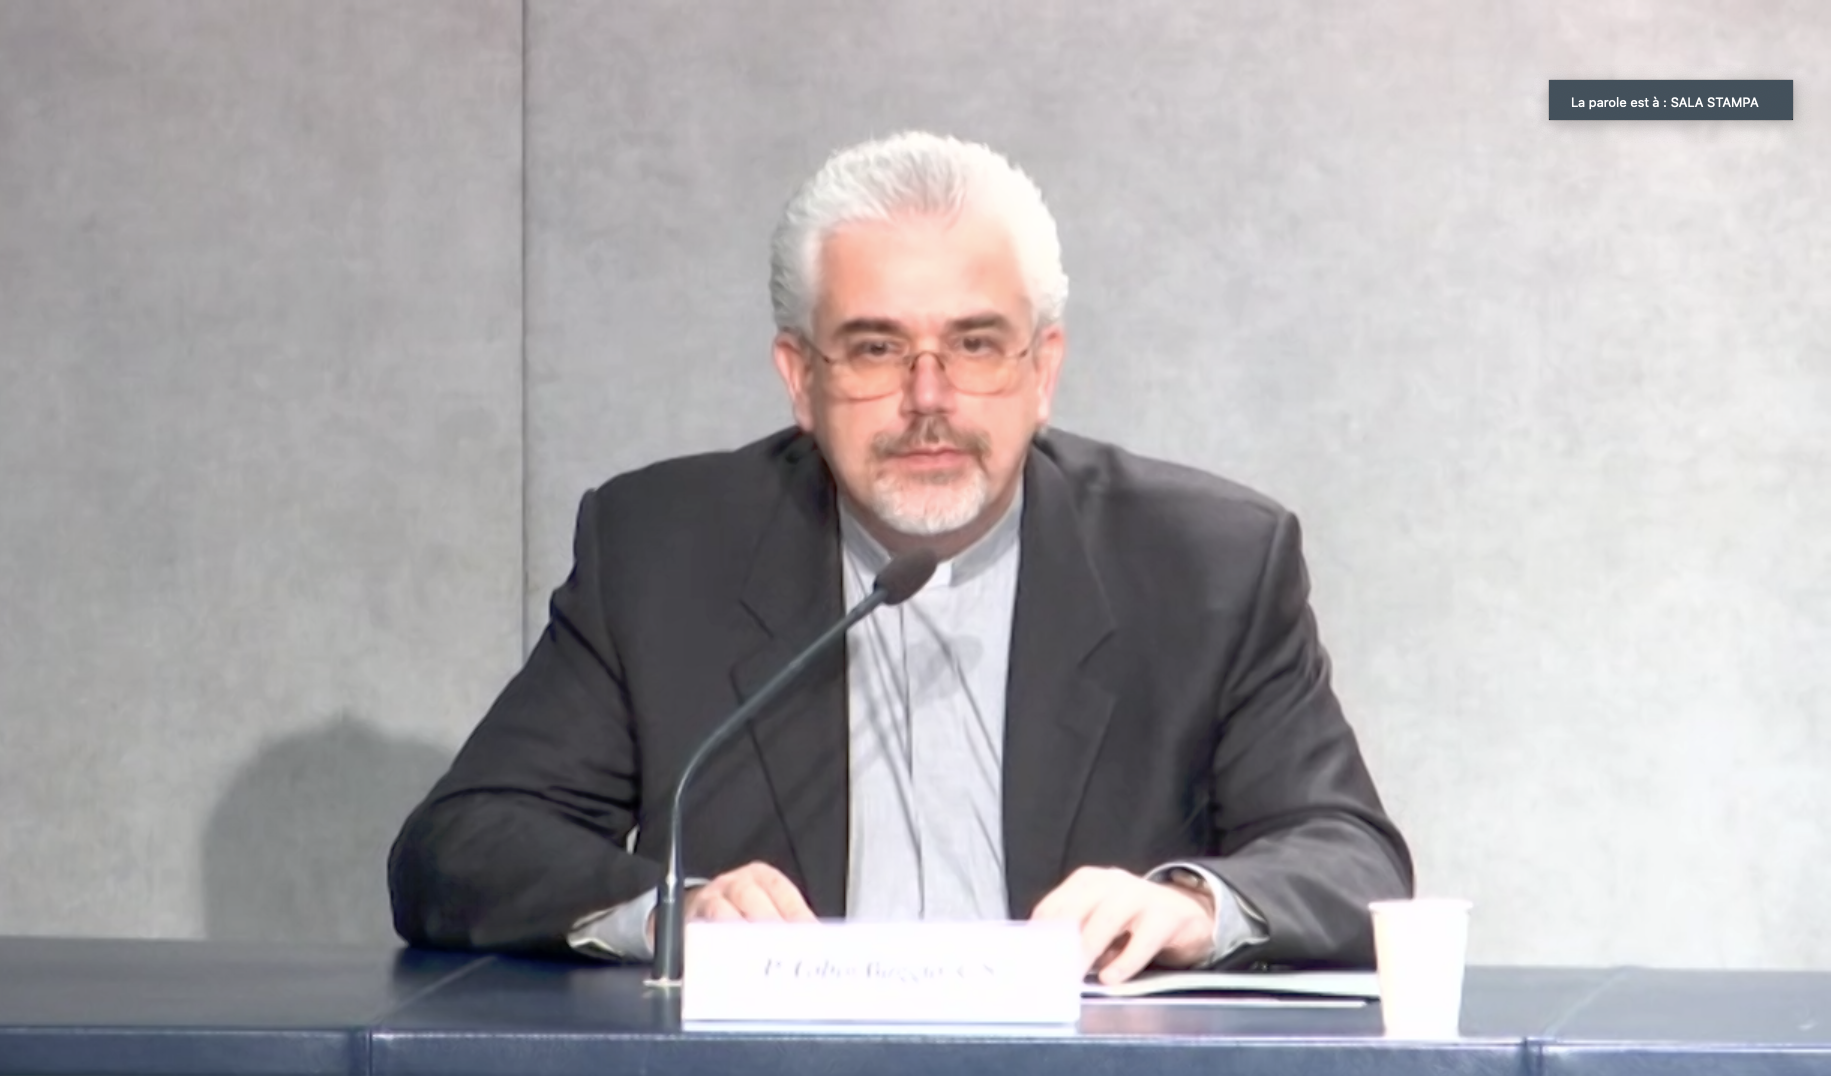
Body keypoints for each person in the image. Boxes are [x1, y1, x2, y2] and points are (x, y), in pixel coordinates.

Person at [388, 131, 1411, 982]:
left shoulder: (1209, 565)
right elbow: (459, 847)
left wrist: (1190, 904)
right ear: (800, 378)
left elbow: (1352, 859)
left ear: (1043, 370)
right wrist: (673, 911)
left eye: (976, 344)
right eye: (877, 348)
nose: (929, 398)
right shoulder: (663, 553)